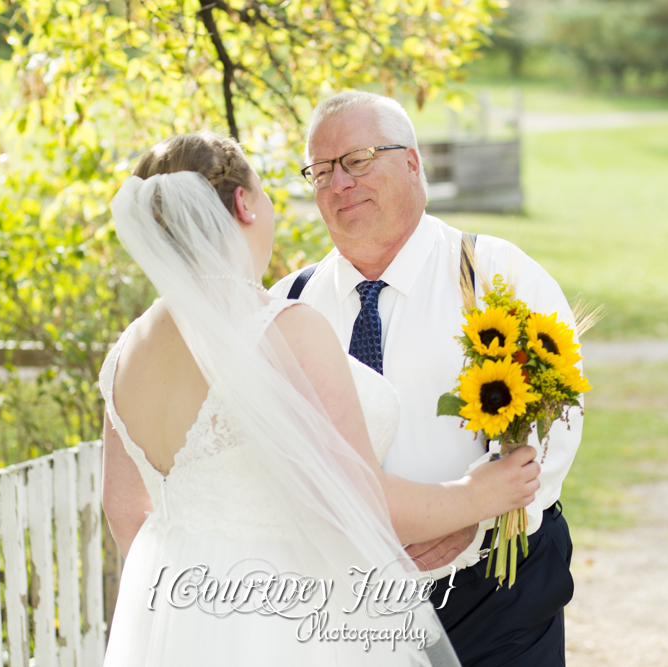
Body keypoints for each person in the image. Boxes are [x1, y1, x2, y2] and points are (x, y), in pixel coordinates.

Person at [99, 131, 542, 666]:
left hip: (180, 612)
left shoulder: (128, 352)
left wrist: (179, 617)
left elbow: (124, 509)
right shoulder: (283, 327)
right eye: (262, 195)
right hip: (296, 619)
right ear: (244, 203)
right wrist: (478, 494)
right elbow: (357, 501)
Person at [270, 92, 583, 667]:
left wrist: (474, 513)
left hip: (495, 586)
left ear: (413, 163)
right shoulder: (287, 305)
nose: (339, 183)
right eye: (321, 170)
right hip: (345, 602)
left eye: (358, 160)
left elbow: (558, 419)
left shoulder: (494, 274)